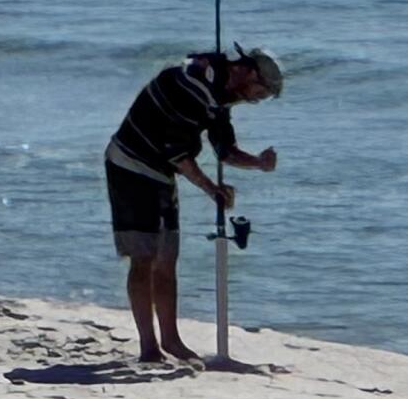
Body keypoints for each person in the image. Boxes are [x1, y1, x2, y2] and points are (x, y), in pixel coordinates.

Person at [104, 44, 281, 365]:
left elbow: (224, 150)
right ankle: (149, 347)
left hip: (160, 171)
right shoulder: (188, 86)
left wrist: (258, 163)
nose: (255, 99)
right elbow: (179, 154)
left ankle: (171, 339)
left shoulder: (219, 98)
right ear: (245, 71)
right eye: (259, 91)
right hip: (130, 164)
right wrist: (212, 189)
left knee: (167, 257)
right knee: (143, 256)